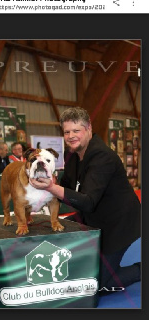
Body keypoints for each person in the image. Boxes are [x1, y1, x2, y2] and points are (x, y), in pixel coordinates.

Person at [29, 107, 141, 290]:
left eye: (76, 130)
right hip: (94, 218)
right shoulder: (72, 154)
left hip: (118, 224)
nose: (71, 136)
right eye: (67, 132)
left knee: (95, 286)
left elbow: (87, 201)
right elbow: (66, 186)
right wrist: (49, 182)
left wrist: (52, 187)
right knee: (54, 229)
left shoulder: (103, 156)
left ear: (88, 128)